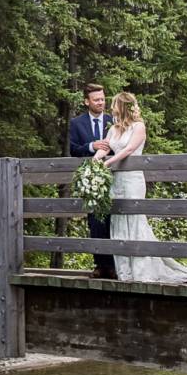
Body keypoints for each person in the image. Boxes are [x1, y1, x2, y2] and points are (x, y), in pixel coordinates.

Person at [101, 91, 187, 284]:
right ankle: (125, 271)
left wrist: (108, 163)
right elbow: (105, 147)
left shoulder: (138, 126)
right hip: (117, 180)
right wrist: (95, 160)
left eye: (114, 104)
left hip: (132, 179)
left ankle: (141, 268)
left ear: (122, 106)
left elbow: (129, 149)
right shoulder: (113, 128)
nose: (112, 108)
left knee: (135, 219)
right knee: (119, 220)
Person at [66, 83, 115, 278]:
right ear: (87, 101)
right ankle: (100, 264)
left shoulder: (113, 120)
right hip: (90, 179)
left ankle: (113, 265)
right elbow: (74, 149)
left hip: (114, 175)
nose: (101, 102)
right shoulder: (77, 123)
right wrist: (92, 146)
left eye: (103, 99)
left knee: (114, 220)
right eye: (96, 100)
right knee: (95, 221)